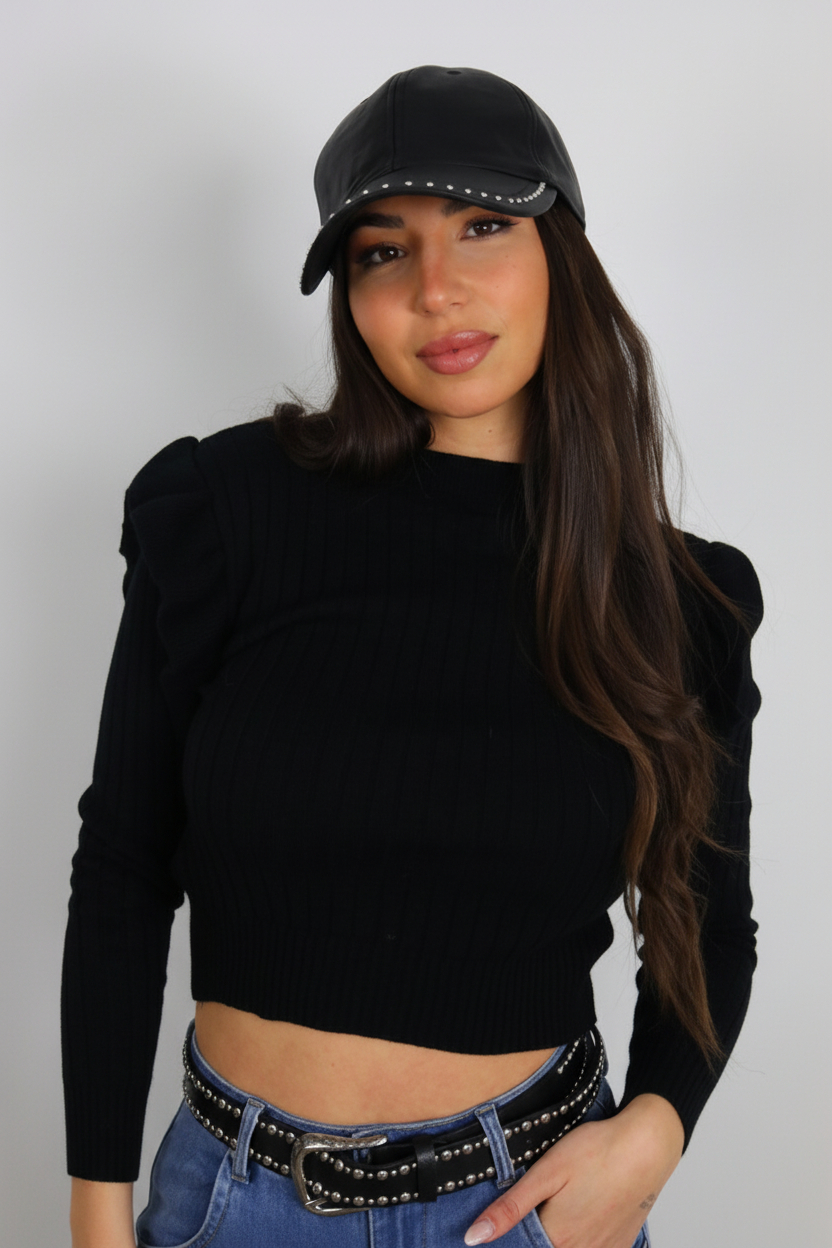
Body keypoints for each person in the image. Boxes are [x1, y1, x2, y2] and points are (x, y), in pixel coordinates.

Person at [63, 66, 763, 1248]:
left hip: (528, 1205)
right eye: (383, 251)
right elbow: (124, 866)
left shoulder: (675, 598)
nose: (436, 289)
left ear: (561, 251)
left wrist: (656, 1126)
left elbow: (706, 916)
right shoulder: (223, 513)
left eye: (483, 226)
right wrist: (94, 1212)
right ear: (350, 295)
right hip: (235, 1205)